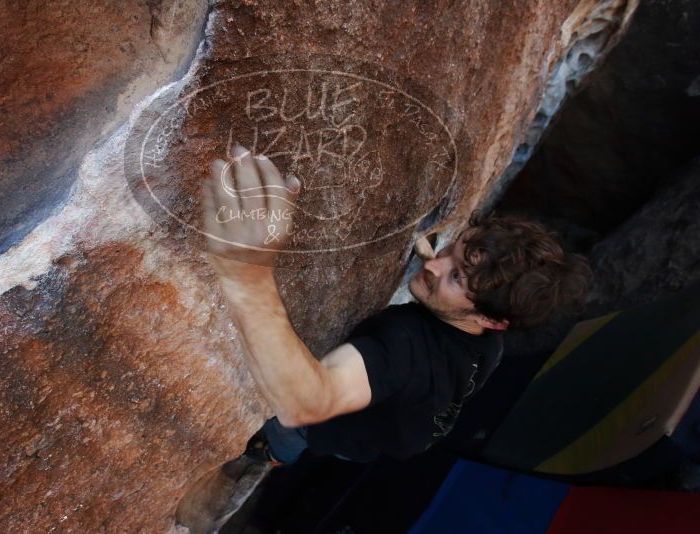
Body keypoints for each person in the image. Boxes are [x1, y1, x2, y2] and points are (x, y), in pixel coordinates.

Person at [201, 145, 592, 466]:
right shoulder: (486, 340)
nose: (434, 264)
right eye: (452, 253)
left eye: (456, 277)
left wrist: (246, 275)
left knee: (289, 436)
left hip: (336, 430)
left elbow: (306, 402)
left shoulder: (404, 347)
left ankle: (267, 457)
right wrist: (443, 269)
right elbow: (454, 282)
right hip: (393, 436)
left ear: (492, 319)